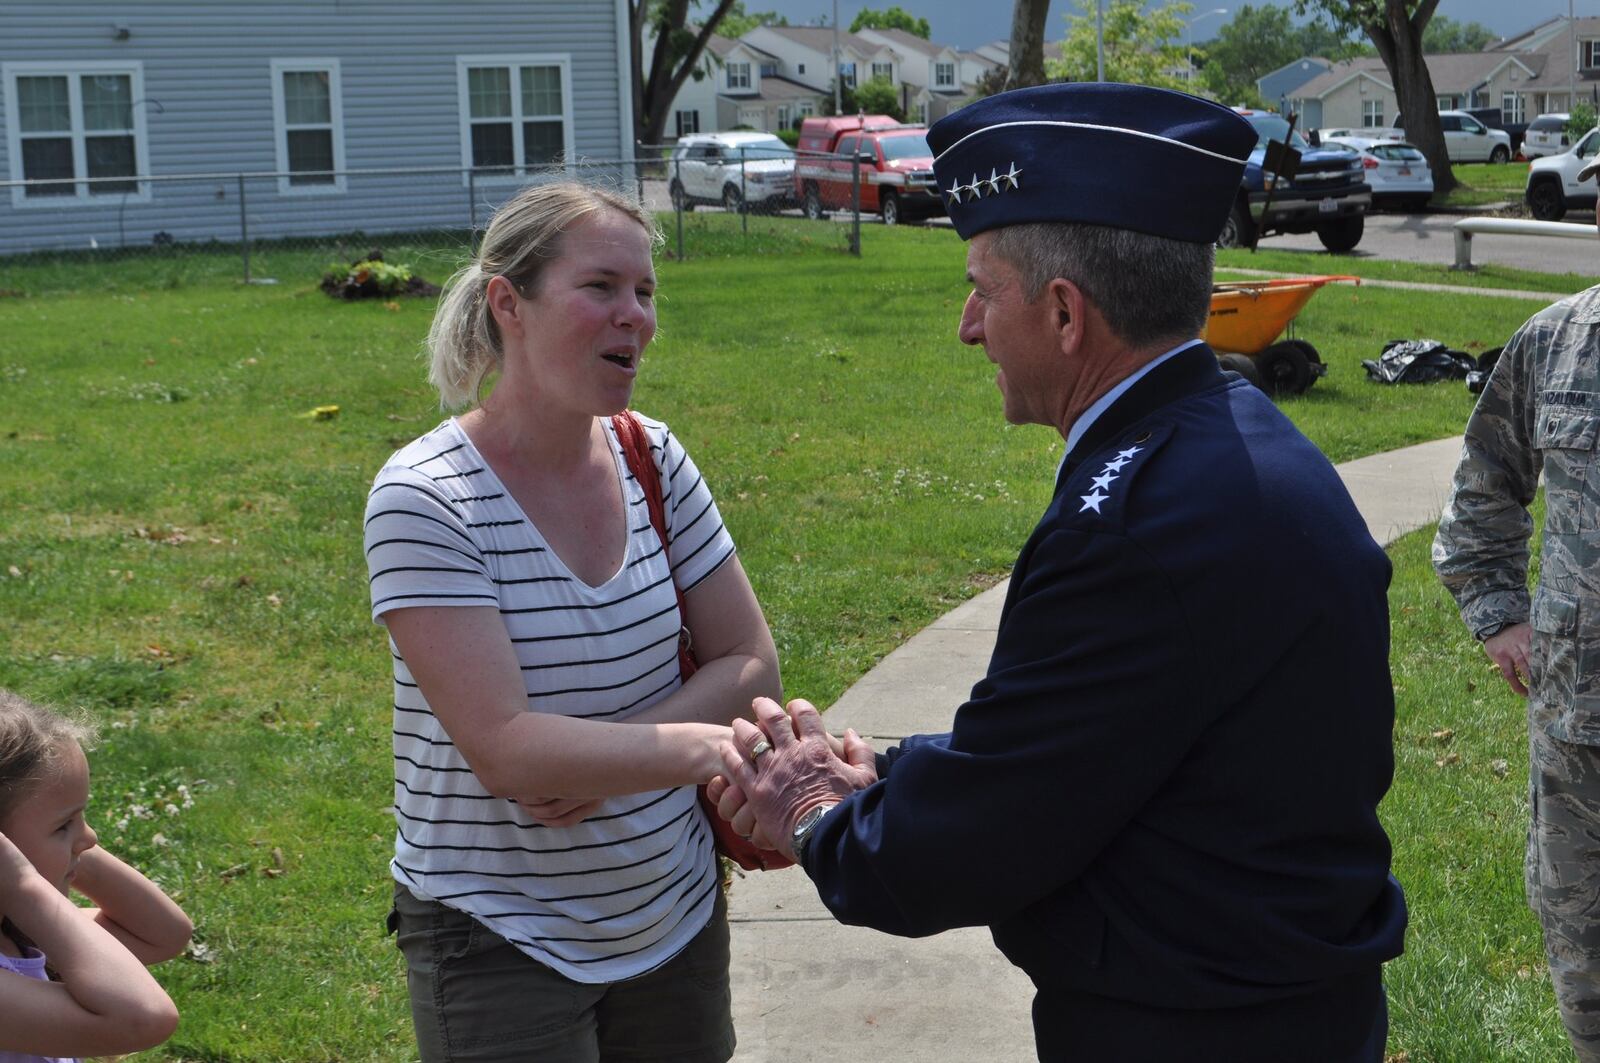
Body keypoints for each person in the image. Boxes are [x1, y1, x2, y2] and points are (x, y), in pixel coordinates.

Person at [710, 83, 1407, 1062]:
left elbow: (984, 839)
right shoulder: (1230, 438)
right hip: (1274, 1004)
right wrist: (888, 775)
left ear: (1066, 314)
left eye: (982, 290)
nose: (966, 326)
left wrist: (816, 813)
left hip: (1190, 1029)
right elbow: (1091, 746)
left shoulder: (1136, 522)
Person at [365, 180, 781, 1063]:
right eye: (601, 287)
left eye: (646, 292)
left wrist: (609, 755)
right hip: (498, 935)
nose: (635, 315)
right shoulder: (426, 498)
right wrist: (710, 748)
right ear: (507, 304)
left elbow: (751, 663)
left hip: (673, 912)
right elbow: (510, 751)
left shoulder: (652, 455)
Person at [1432, 154, 1600, 1062]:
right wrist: (1500, 612)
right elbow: (1483, 489)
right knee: (1586, 971)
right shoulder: (1556, 341)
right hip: (1579, 740)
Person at [0, 689, 192, 1063]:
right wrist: (26, 884)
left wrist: (64, 849)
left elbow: (163, 934)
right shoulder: (24, 918)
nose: (90, 838)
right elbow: (143, 1018)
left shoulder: (17, 930)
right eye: (64, 826)